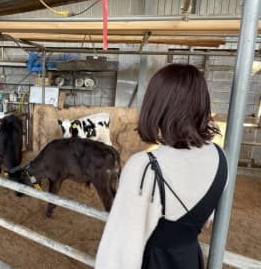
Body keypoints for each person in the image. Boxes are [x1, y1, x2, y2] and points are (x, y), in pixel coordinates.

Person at [95, 63, 228, 269]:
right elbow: (208, 220)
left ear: (156, 106)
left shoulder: (144, 166)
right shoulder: (220, 157)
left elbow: (119, 251)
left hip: (155, 262)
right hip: (189, 259)